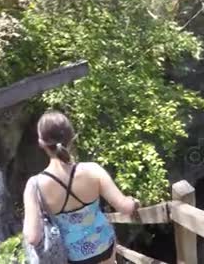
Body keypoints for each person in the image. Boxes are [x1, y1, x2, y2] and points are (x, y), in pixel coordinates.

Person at [23, 111, 141, 263]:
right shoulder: (93, 170)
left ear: (41, 142)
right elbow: (125, 207)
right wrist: (135, 202)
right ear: (72, 137)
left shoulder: (34, 185)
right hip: (103, 243)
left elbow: (33, 237)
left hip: (73, 254)